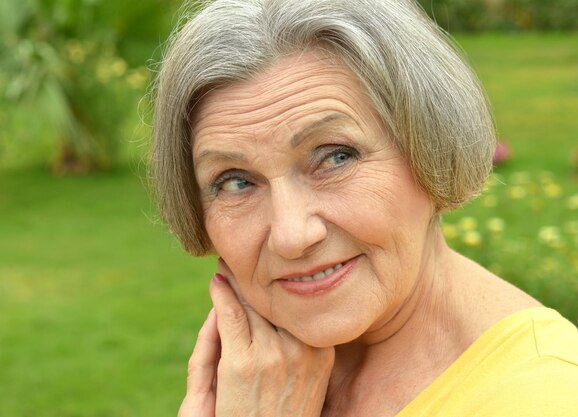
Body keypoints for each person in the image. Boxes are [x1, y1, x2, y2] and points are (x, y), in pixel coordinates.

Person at [150, 0, 578, 416]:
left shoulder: (546, 394)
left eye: (335, 157)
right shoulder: (259, 381)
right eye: (235, 182)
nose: (291, 236)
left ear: (429, 145)